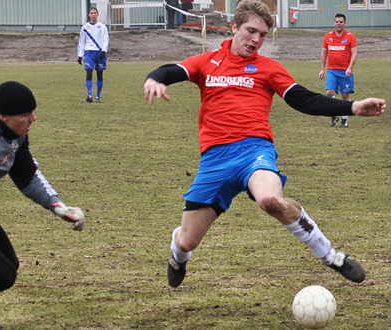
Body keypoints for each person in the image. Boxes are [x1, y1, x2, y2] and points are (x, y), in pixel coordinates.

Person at [143, 0, 386, 288]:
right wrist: (154, 79)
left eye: (262, 35)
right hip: (214, 160)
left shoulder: (268, 68)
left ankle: (331, 256)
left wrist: (352, 107)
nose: (256, 40)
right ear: (234, 27)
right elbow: (171, 71)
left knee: (271, 201)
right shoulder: (208, 62)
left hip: (254, 151)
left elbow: (303, 99)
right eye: (251, 31)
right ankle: (177, 255)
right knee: (187, 241)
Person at [0, 81, 86, 329]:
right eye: (25, 115)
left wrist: (57, 206)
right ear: (4, 116)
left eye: (33, 111)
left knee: (7, 265)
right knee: (0, 275)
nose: (33, 119)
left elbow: (27, 175)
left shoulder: (15, 135)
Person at [319, 13, 358, 127]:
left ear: (344, 23)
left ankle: (344, 118)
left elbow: (354, 53)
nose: (338, 24)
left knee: (345, 96)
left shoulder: (350, 36)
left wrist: (350, 68)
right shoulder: (328, 36)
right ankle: (335, 114)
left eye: (341, 22)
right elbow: (324, 53)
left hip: (345, 72)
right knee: (329, 92)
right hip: (332, 70)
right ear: (334, 23)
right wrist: (322, 69)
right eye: (337, 22)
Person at [77, 6, 109, 103]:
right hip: (89, 53)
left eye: (95, 13)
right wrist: (80, 55)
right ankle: (89, 94)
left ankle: (98, 95)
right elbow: (82, 42)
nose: (93, 15)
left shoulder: (102, 27)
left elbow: (105, 39)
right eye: (92, 13)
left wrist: (104, 51)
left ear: (97, 14)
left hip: (99, 53)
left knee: (99, 74)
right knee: (89, 73)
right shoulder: (85, 27)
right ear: (89, 15)